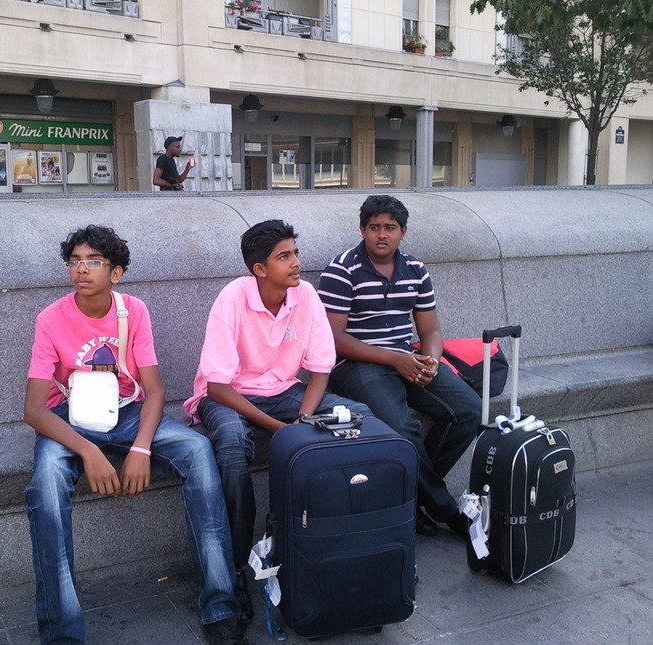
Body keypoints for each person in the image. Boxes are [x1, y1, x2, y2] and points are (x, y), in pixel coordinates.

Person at [24, 225, 247, 645]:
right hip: (68, 418)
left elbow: (156, 390)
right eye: (74, 261)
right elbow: (35, 409)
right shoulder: (50, 319)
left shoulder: (133, 311)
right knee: (46, 486)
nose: (81, 270)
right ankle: (62, 634)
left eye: (94, 261)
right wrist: (90, 453)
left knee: (199, 449)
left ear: (117, 273)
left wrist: (141, 448)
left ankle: (221, 606)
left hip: (127, 412)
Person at [184, 219, 375, 623]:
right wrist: (281, 431)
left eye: (295, 253)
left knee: (360, 418)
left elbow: (320, 368)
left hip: (284, 392)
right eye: (284, 256)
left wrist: (305, 417)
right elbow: (217, 387)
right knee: (234, 447)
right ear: (259, 269)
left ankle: (342, 541)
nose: (296, 264)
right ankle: (236, 565)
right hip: (228, 396)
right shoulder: (232, 298)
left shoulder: (304, 295)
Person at [318, 195, 480, 538]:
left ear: (402, 232)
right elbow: (332, 338)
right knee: (401, 426)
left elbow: (430, 329)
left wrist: (431, 361)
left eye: (390, 228)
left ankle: (412, 498)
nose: (381, 235)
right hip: (357, 363)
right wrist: (394, 358)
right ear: (362, 229)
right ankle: (444, 508)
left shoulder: (415, 269)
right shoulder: (342, 269)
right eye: (374, 227)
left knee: (468, 410)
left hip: (408, 357)